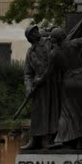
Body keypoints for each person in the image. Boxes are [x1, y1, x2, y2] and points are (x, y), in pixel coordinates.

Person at [46, 20, 82, 149]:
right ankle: (80, 141)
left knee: (67, 112)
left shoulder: (54, 54)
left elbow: (49, 73)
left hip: (69, 82)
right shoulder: (74, 44)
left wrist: (38, 80)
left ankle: (60, 140)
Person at [20, 23, 61, 151]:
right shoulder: (30, 52)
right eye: (32, 33)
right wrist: (28, 88)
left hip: (53, 83)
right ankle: (35, 139)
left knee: (53, 111)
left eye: (35, 31)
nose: (35, 33)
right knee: (37, 114)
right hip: (39, 87)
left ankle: (52, 139)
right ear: (29, 38)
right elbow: (27, 73)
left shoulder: (50, 43)